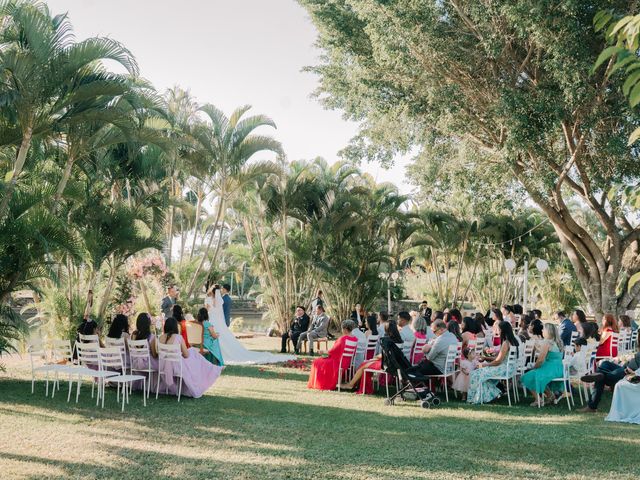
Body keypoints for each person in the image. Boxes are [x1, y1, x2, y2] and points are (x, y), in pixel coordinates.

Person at [205, 286, 295, 364]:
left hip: (213, 321)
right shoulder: (220, 300)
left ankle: (214, 353)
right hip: (219, 322)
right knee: (224, 337)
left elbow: (207, 311)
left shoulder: (209, 299)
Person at [156, 317, 223, 398]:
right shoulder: (178, 337)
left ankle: (212, 368)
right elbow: (186, 355)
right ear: (175, 327)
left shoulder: (160, 338)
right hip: (177, 366)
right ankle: (212, 368)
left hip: (163, 365)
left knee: (193, 354)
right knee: (193, 353)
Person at [339, 318, 402, 393]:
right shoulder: (399, 340)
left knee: (363, 365)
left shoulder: (388, 340)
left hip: (386, 364)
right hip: (393, 363)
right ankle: (356, 385)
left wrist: (376, 357)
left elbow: (385, 354)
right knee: (365, 364)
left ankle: (351, 384)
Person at [467, 321, 519, 404]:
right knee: (480, 374)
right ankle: (487, 396)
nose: (497, 331)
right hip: (509, 368)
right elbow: (499, 358)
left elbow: (498, 361)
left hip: (504, 369)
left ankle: (477, 398)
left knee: (475, 373)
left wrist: (484, 365)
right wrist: (486, 358)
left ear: (502, 330)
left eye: (498, 329)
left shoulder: (506, 343)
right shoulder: (513, 341)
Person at [580, 345, 640, 413]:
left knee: (602, 377)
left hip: (627, 373)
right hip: (624, 368)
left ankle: (592, 406)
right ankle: (599, 373)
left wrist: (632, 373)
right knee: (605, 363)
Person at [521, 323, 565, 406]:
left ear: (548, 331)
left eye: (543, 329)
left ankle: (538, 400)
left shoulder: (547, 343)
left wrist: (534, 367)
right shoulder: (559, 342)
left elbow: (540, 360)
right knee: (536, 375)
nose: (542, 330)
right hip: (559, 369)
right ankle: (550, 396)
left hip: (550, 369)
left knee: (526, 377)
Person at [308, 320, 358, 390]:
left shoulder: (343, 339)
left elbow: (333, 351)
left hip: (337, 363)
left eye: (342, 328)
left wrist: (322, 351)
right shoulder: (355, 339)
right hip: (347, 363)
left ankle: (321, 383)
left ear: (345, 329)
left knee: (316, 362)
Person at [130, 312, 158, 390]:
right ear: (148, 323)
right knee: (161, 362)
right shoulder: (151, 337)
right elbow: (154, 355)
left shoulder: (133, 335)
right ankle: (155, 387)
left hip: (135, 363)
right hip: (147, 364)